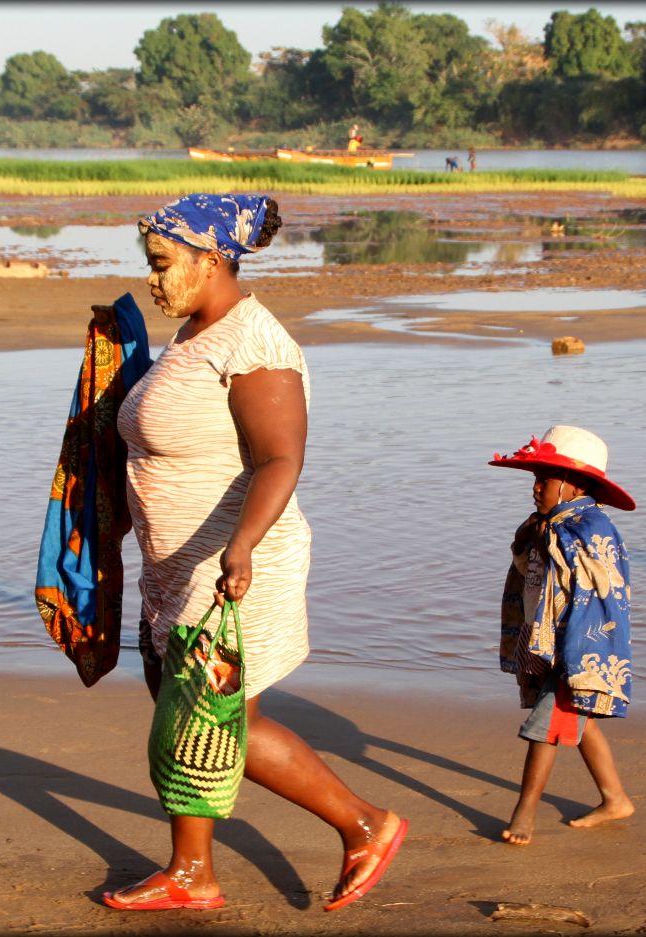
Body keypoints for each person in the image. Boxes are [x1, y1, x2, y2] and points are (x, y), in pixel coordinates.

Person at [104, 193, 408, 911]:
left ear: (211, 261)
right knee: (191, 717)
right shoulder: (193, 335)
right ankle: (194, 871)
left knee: (218, 718)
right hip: (178, 569)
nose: (152, 280)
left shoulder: (254, 343)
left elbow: (279, 458)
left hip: (237, 565)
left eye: (162, 264)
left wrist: (240, 546)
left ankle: (364, 823)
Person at [488, 425, 636, 846]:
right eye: (535, 480)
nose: (536, 489)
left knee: (543, 726)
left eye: (545, 480)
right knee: (579, 723)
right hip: (549, 640)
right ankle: (616, 798)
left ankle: (525, 814)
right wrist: (528, 540)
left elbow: (599, 594)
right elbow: (531, 577)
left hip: (577, 644)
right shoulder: (550, 524)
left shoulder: (589, 529)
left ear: (574, 486)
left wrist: (575, 652)